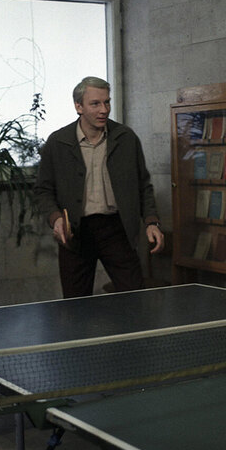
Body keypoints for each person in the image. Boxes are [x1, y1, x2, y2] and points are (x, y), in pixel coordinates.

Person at [34, 76, 164, 298]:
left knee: (135, 298)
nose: (104, 110)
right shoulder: (58, 142)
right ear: (79, 107)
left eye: (107, 102)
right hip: (76, 233)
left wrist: (151, 222)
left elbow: (143, 185)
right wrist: (56, 219)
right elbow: (43, 191)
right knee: (76, 304)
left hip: (116, 229)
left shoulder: (126, 138)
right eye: (95, 104)